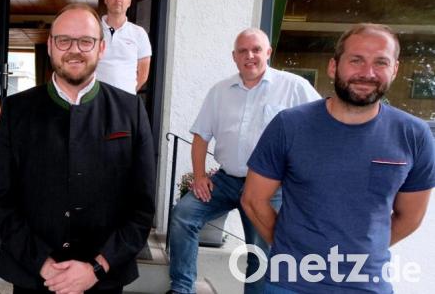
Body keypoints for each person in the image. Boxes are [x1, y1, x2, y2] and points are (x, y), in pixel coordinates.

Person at [242, 23, 435, 294]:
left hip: (368, 285)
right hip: (290, 284)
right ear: (334, 67)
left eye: (380, 62)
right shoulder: (289, 126)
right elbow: (253, 200)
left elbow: (410, 217)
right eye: (356, 60)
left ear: (394, 70)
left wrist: (361, 255)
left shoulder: (414, 135)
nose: (367, 73)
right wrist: (291, 251)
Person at [0, 3, 156, 294]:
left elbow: (141, 208)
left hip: (103, 280)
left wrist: (96, 268)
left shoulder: (130, 111)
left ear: (101, 48)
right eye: (64, 40)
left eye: (86, 41)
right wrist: (45, 265)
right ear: (50, 46)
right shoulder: (17, 110)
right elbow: (2, 200)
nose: (74, 50)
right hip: (35, 277)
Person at [168, 28, 320, 294]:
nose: (250, 56)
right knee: (184, 215)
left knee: (261, 251)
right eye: (243, 51)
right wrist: (200, 176)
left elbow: (320, 128)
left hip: (269, 187)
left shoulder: (294, 87)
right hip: (226, 180)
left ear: (268, 52)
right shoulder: (220, 91)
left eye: (256, 49)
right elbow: (201, 136)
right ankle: (182, 287)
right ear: (234, 57)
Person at [94, 0, 152, 94]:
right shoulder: (92, 30)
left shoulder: (139, 33)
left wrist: (127, 93)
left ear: (129, 2)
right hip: (96, 98)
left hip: (125, 99)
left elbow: (143, 74)